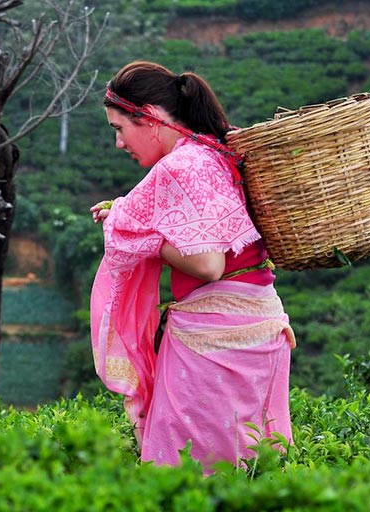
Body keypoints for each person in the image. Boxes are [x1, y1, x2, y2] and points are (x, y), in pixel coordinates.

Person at [89, 60, 295, 472]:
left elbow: (206, 263)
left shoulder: (181, 166)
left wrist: (138, 234)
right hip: (259, 323)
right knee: (252, 469)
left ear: (148, 118)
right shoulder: (210, 150)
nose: (119, 143)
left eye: (119, 128)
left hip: (215, 340)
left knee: (184, 476)